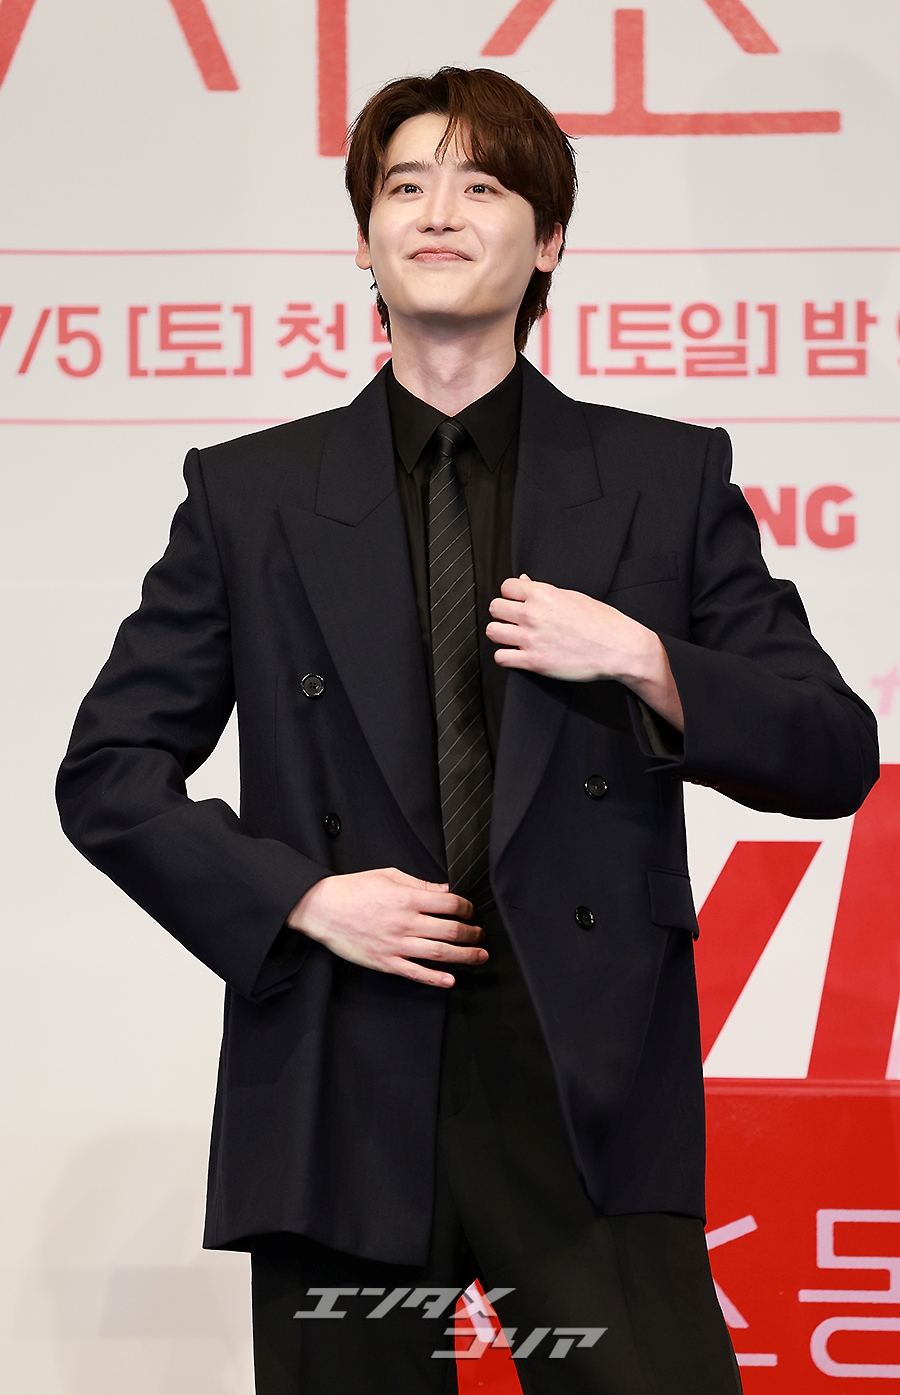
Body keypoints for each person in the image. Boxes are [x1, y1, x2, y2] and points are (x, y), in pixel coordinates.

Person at [56, 66, 878, 1395]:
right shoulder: (251, 494)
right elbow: (107, 773)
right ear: (365, 240)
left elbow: (832, 749)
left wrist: (645, 658)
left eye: (482, 184)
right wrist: (301, 898)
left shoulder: (661, 479)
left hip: (582, 1069)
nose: (438, 211)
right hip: (341, 1060)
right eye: (405, 184)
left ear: (547, 242)